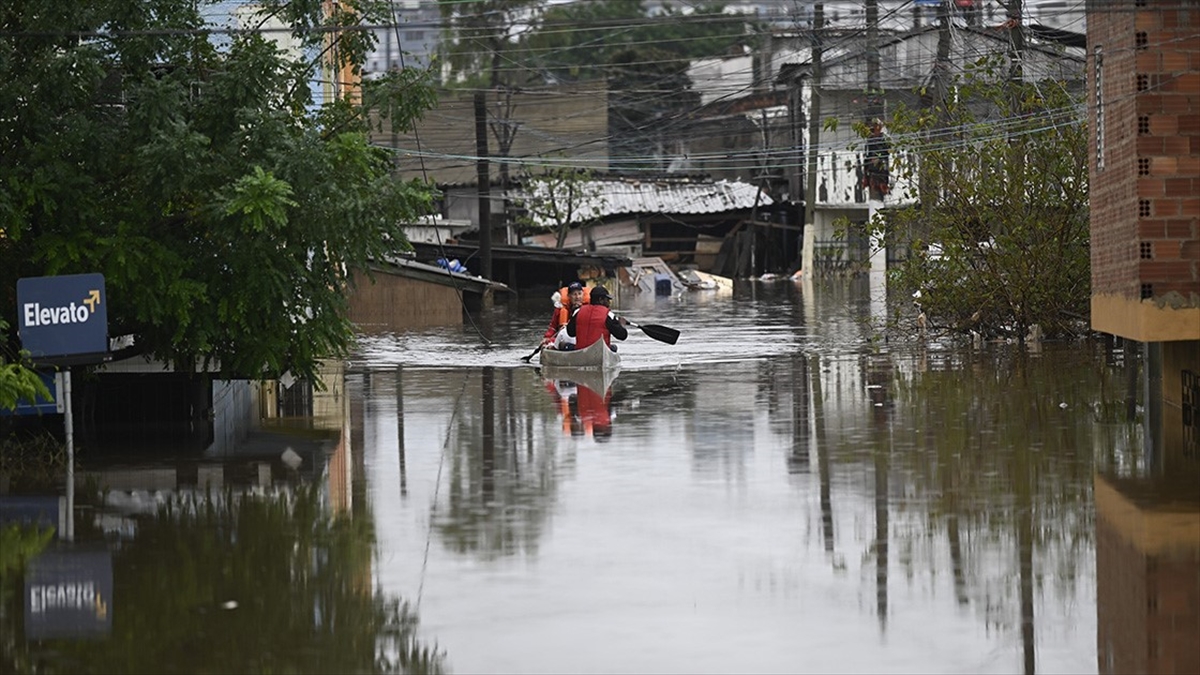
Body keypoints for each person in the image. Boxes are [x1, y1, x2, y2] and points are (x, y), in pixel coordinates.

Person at [566, 285, 628, 351]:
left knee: (564, 345)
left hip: (579, 351)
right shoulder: (608, 315)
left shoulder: (578, 311)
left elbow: (570, 333)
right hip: (600, 351)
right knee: (614, 347)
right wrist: (621, 325)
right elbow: (622, 336)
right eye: (607, 300)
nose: (608, 303)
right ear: (600, 300)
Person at [542, 282, 588, 349]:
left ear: (583, 294)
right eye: (574, 294)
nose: (577, 297)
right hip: (564, 339)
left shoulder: (588, 309)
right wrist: (547, 338)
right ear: (569, 296)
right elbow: (553, 327)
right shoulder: (560, 309)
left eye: (579, 294)